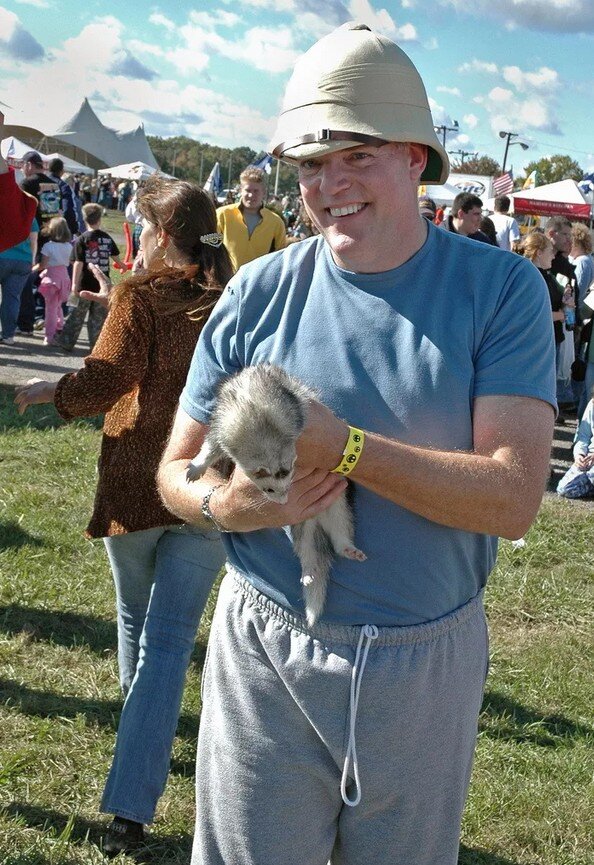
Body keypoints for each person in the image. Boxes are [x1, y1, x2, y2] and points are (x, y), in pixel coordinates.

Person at [157, 22, 556, 865]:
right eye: (310, 165)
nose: (328, 185)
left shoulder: (501, 291)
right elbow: (174, 474)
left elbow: (514, 497)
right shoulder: (257, 293)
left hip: (425, 663)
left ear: (416, 157)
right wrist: (222, 504)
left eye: (357, 156)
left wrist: (343, 450)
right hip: (265, 649)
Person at [14, 175, 232, 858]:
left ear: (162, 235)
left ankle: (130, 797)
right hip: (206, 485)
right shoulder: (230, 298)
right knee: (160, 640)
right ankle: (138, 767)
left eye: (142, 223)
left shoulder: (141, 297)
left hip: (142, 480)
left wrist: (55, 388)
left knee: (144, 629)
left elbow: (111, 374)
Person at [52, 203, 122, 352]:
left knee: (77, 315)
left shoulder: (82, 239)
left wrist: (74, 284)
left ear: (84, 219)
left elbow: (78, 262)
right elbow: (115, 256)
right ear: (99, 219)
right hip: (102, 285)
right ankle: (96, 346)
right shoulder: (107, 238)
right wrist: (122, 265)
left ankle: (66, 342)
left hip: (84, 284)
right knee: (98, 318)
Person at [216, 166, 287, 270]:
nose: (251, 195)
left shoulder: (276, 222)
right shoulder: (222, 215)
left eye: (256, 191)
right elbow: (210, 248)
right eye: (248, 190)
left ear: (263, 192)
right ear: (241, 190)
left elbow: (281, 257)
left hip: (259, 283)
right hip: (226, 280)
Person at [0, 213, 38, 345]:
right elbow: (34, 241)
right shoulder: (29, 215)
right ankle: (8, 335)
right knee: (12, 298)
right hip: (23, 260)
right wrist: (32, 260)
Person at [37, 216, 73, 345]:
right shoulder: (69, 246)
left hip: (52, 279)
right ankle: (59, 327)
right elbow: (70, 262)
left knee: (50, 308)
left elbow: (43, 265)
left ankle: (49, 335)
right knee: (58, 306)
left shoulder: (48, 246)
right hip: (64, 278)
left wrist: (34, 269)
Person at [557, 389, 594, 498]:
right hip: (589, 458)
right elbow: (583, 436)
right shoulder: (592, 404)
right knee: (564, 489)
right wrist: (579, 455)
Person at [47, 157, 85, 236]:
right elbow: (68, 210)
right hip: (57, 229)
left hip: (39, 226)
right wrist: (73, 229)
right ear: (62, 171)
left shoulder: (39, 182)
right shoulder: (63, 186)